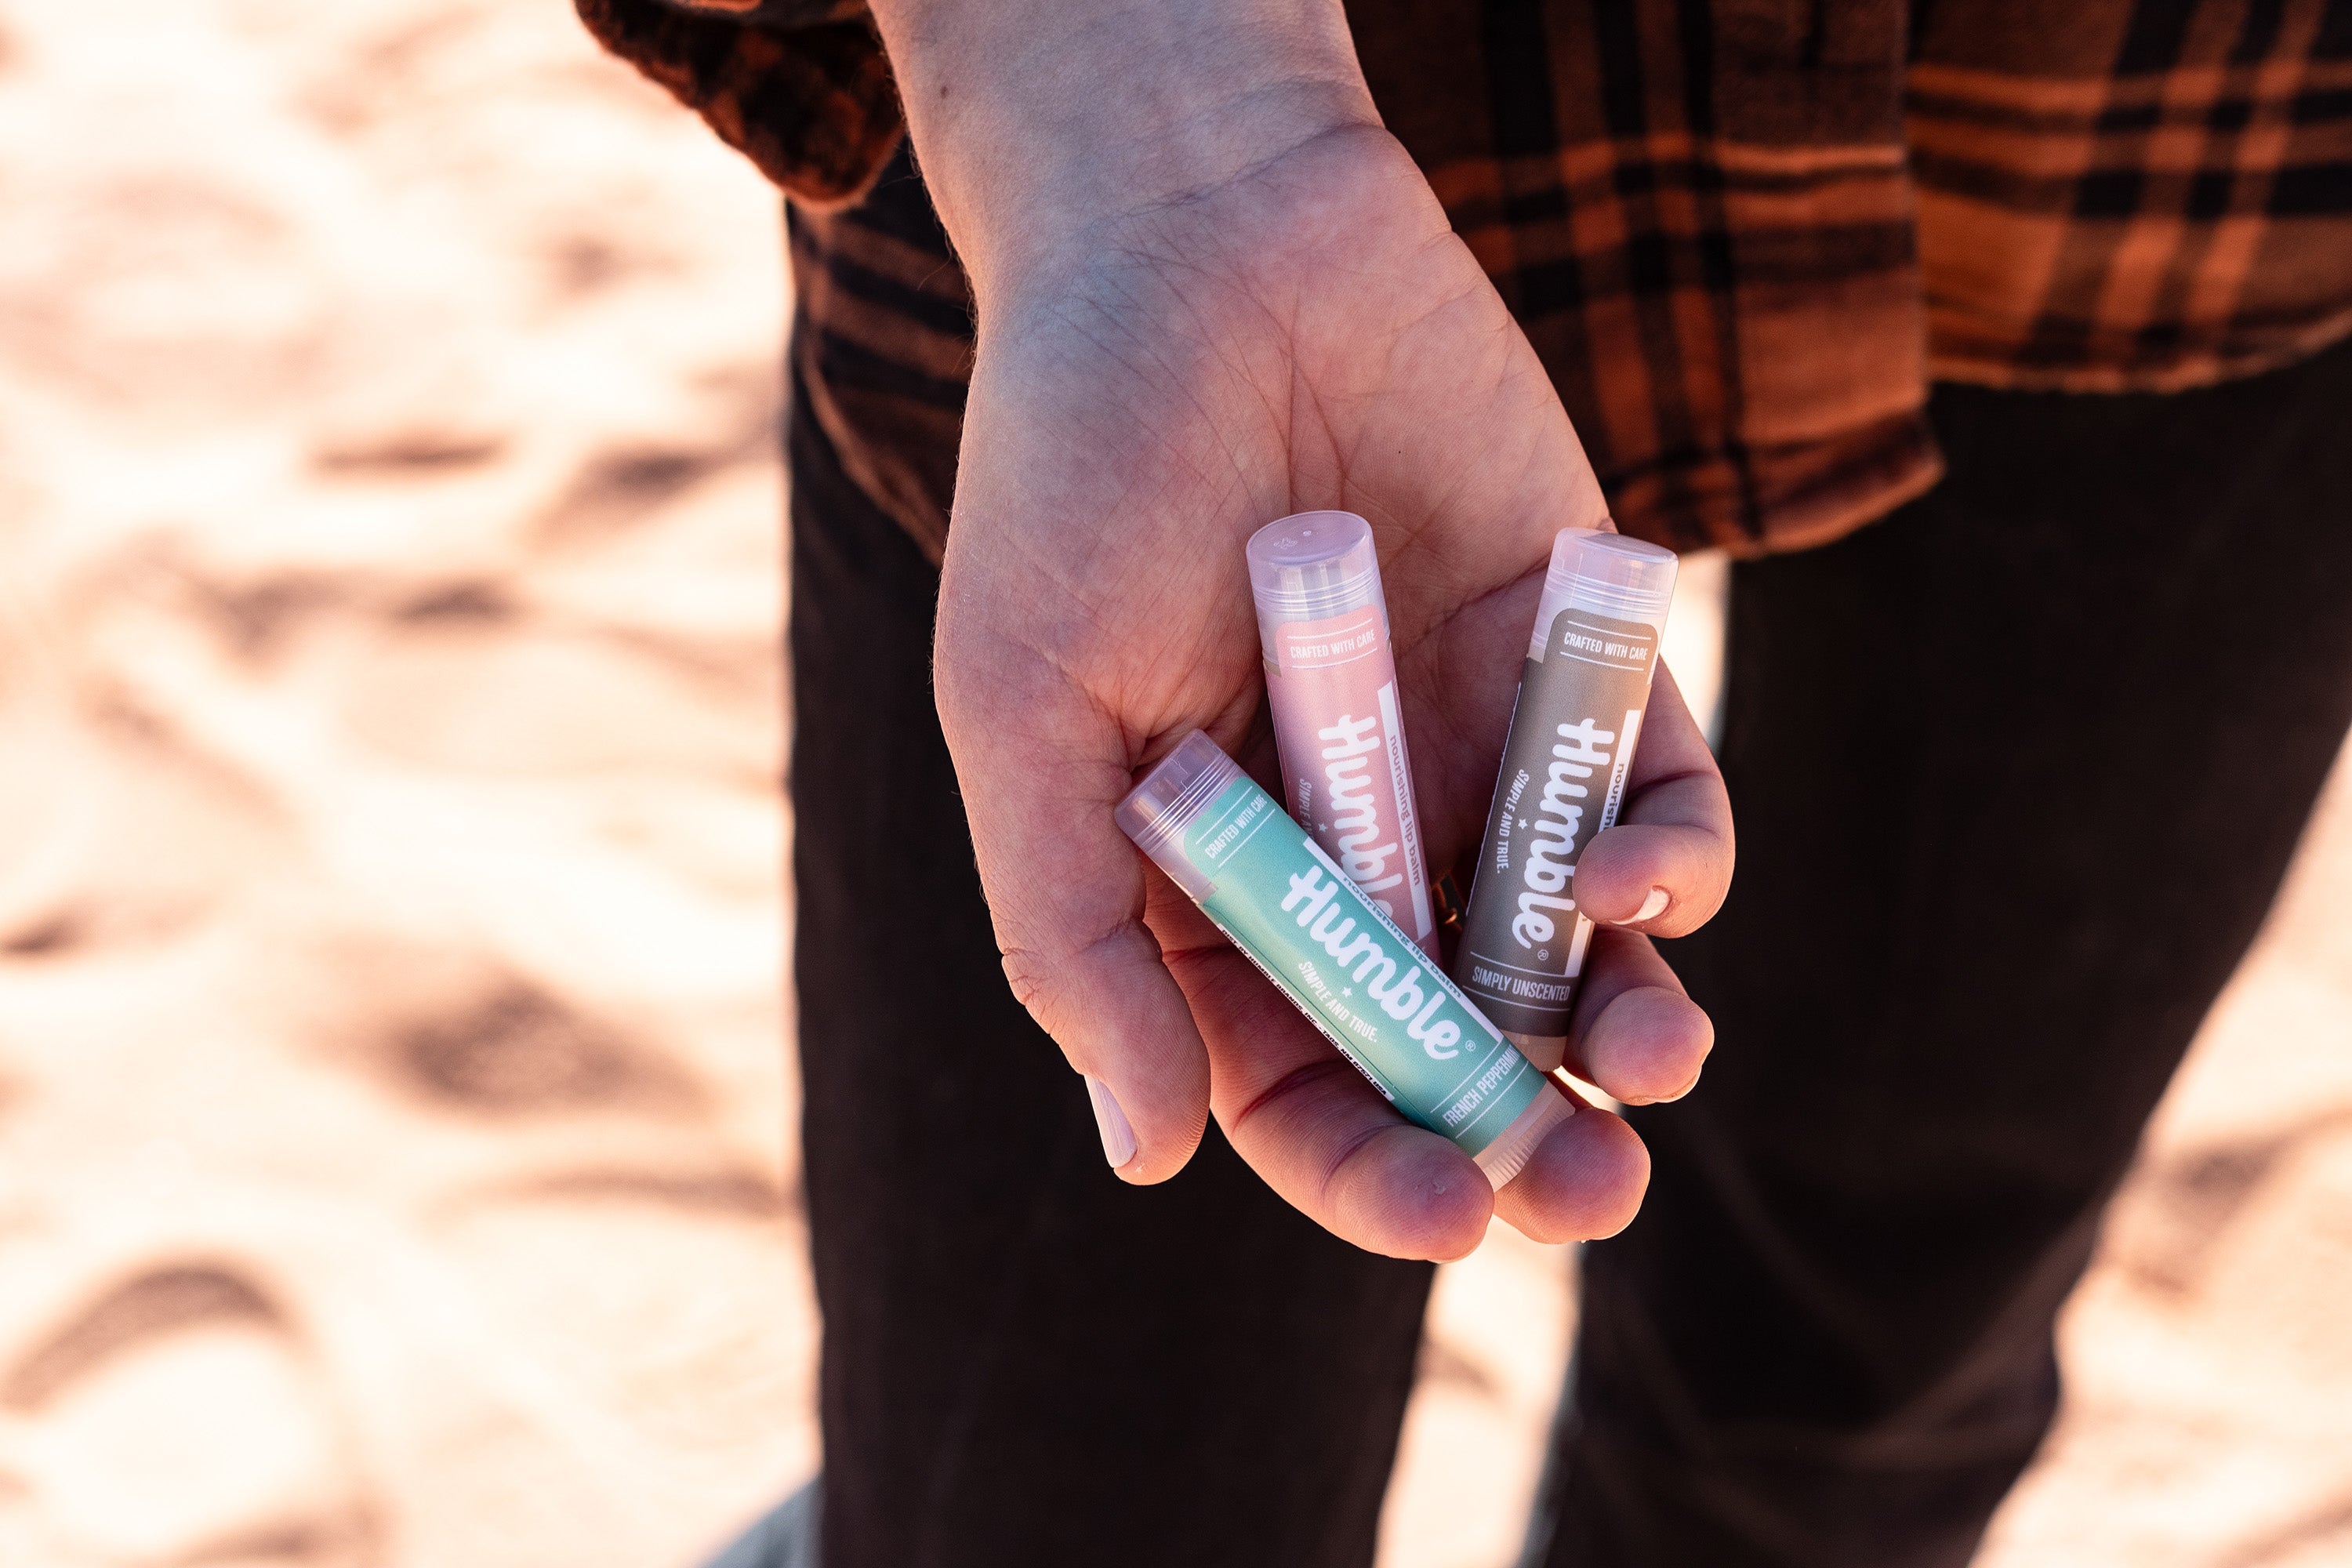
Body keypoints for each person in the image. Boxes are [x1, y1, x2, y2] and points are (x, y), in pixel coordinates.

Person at [579, 1, 2352, 1563]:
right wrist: (1135, 117)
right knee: (1063, 1483)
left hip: (2202, 163)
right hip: (1122, 169)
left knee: (1854, 1396)